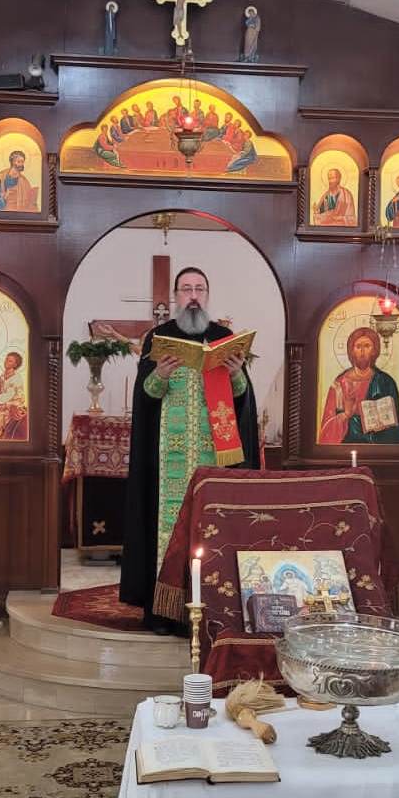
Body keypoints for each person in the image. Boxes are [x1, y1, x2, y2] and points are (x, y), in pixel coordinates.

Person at [120, 266, 260, 632]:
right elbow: (145, 399)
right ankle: (165, 612)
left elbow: (243, 404)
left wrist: (237, 374)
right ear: (175, 297)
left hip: (216, 461)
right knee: (168, 534)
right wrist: (160, 375)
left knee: (213, 532)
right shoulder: (158, 339)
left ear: (207, 295)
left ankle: (216, 608)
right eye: (186, 289)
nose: (193, 295)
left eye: (199, 288)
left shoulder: (224, 339)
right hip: (168, 462)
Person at [318, 325, 399, 445]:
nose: (362, 351)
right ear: (351, 350)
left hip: (380, 445)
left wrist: (385, 425)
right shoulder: (339, 385)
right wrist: (345, 415)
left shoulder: (386, 382)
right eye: (358, 346)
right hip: (349, 445)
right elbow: (326, 430)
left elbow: (397, 428)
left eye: (367, 346)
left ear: (374, 350)